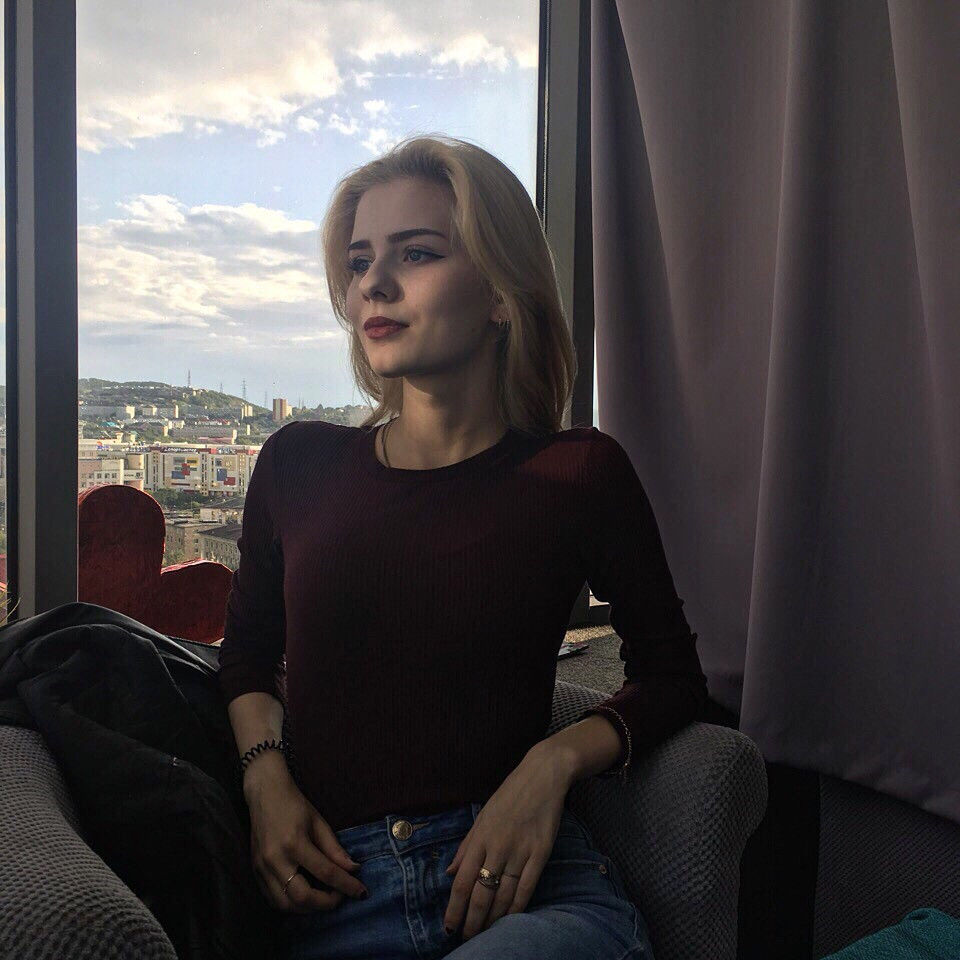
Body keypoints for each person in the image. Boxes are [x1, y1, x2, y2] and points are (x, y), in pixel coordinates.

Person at [217, 133, 708, 959]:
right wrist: (263, 776)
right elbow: (247, 656)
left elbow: (673, 677)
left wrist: (551, 764)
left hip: (531, 895)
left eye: (416, 253)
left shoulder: (578, 473)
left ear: (501, 295)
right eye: (360, 260)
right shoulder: (298, 463)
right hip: (333, 902)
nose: (374, 283)